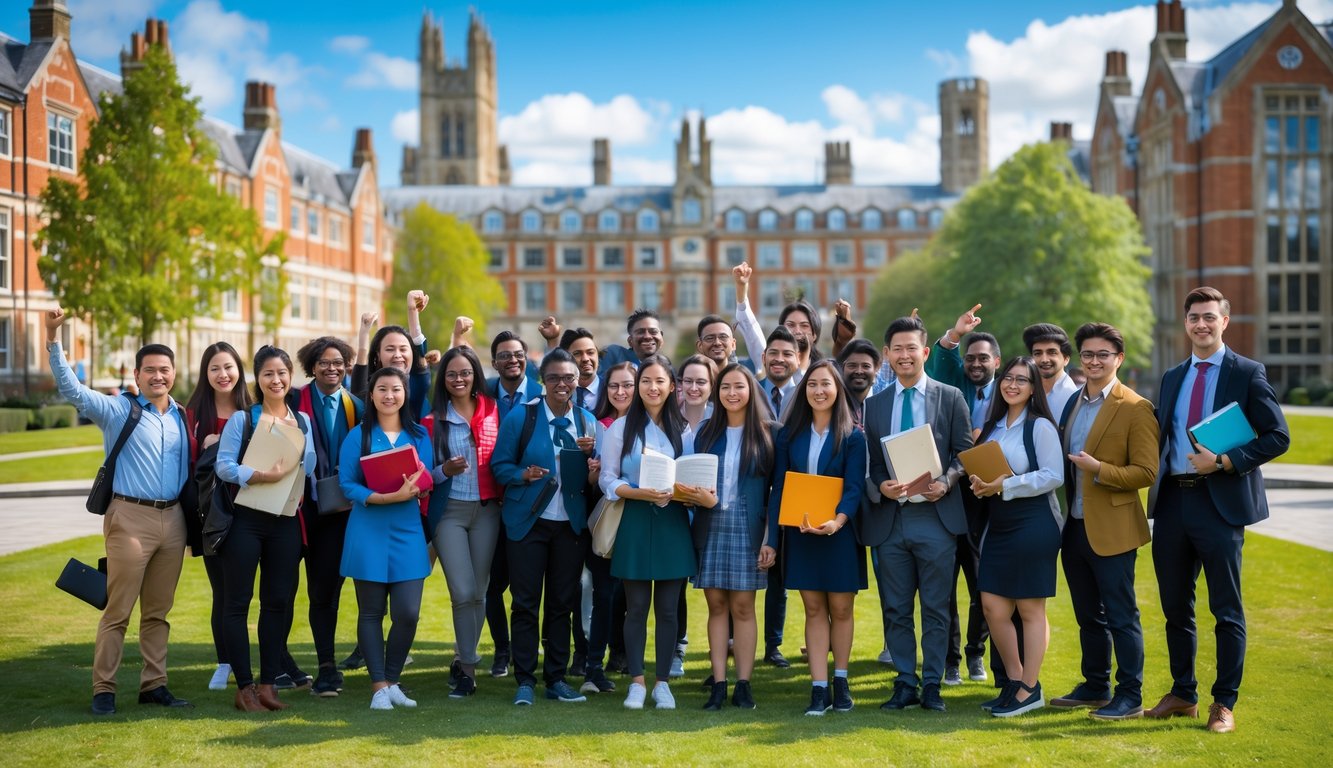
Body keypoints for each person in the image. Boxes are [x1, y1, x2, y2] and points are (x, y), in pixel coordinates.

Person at [1145, 287, 1289, 734]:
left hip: (1219, 503)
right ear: (1185, 323)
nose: (1201, 324)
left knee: (1226, 609)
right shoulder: (1172, 377)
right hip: (1172, 504)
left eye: (1210, 317)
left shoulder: (1247, 372)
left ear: (1224, 322)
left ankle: (1223, 703)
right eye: (1194, 318)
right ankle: (1183, 694)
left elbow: (1277, 436)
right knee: (1175, 608)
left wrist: (1225, 461)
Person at [45, 308, 194, 716]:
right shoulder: (117, 410)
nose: (158, 376)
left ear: (174, 374)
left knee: (159, 613)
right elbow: (72, 390)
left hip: (174, 521)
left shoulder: (181, 416)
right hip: (129, 518)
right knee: (118, 610)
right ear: (137, 375)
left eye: (165, 370)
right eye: (150, 370)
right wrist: (53, 337)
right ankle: (104, 689)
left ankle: (154, 685)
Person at [863, 315, 972, 714]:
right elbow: (871, 464)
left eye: (912, 348)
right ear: (887, 355)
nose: (905, 355)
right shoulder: (873, 406)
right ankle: (905, 683)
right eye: (897, 349)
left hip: (936, 518)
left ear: (925, 352)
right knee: (895, 607)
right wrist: (880, 486)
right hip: (891, 519)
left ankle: (932, 685)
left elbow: (964, 454)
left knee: (936, 606)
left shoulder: (950, 397)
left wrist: (947, 480)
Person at [1049, 323, 1158, 721]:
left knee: (1120, 613)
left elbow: (1146, 472)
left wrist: (1099, 469)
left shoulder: (1135, 407)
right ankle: (1096, 684)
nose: (1094, 362)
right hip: (1074, 526)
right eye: (1088, 355)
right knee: (1086, 614)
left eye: (1103, 355)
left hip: (1112, 528)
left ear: (1119, 359)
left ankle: (1130, 694)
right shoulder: (1073, 402)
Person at [491, 349, 603, 706]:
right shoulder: (521, 418)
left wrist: (592, 465)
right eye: (554, 377)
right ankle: (525, 679)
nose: (562, 384)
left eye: (569, 377)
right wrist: (521, 474)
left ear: (576, 381)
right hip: (528, 523)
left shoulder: (587, 422)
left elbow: (593, 482)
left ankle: (555, 678)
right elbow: (499, 466)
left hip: (569, 525)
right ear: (543, 381)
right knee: (525, 603)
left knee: (561, 604)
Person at [215, 346, 317, 712]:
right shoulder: (243, 420)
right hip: (245, 521)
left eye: (282, 373)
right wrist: (259, 475)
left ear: (291, 377)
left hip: (285, 523)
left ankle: (269, 685)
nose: (276, 380)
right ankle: (244, 689)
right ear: (257, 379)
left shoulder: (303, 420)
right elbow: (223, 467)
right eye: (268, 374)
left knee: (278, 603)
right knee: (238, 603)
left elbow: (310, 467)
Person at [768, 360, 867, 716]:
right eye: (812, 385)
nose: (819, 391)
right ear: (804, 390)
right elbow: (780, 486)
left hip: (838, 534)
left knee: (841, 608)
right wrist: (772, 535)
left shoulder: (854, 436)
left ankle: (840, 682)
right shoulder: (788, 435)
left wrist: (837, 521)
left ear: (838, 389)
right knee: (813, 609)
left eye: (826, 384)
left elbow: (855, 487)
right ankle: (818, 687)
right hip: (800, 533)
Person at [968, 357, 1064, 717]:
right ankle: (1015, 681)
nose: (1012, 385)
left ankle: (1029, 689)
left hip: (1033, 522)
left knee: (1029, 608)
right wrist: (981, 483)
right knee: (993, 606)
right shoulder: (993, 426)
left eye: (1022, 380)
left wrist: (1006, 484)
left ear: (1033, 387)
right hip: (999, 523)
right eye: (1008, 378)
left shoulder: (1040, 426)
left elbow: (1054, 475)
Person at [599, 355, 696, 710]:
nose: (652, 388)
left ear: (673, 387)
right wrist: (638, 492)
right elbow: (607, 478)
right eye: (645, 381)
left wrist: (683, 490)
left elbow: (691, 475)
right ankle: (637, 682)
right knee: (636, 607)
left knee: (669, 609)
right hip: (635, 521)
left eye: (660, 381)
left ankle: (663, 683)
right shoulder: (620, 429)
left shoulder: (683, 429)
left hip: (672, 522)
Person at [339, 367, 434, 710]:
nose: (389, 395)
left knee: (408, 613)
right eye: (382, 389)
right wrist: (384, 498)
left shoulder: (420, 434)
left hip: (408, 530)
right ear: (372, 394)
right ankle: (378, 685)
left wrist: (416, 486)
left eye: (396, 389)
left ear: (405, 393)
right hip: (368, 528)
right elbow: (347, 484)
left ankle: (393, 680)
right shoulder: (358, 436)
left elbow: (428, 479)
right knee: (371, 612)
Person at [692, 364, 775, 710]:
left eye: (739, 387)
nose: (731, 393)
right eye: (725, 387)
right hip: (711, 522)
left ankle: (743, 684)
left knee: (743, 606)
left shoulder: (771, 433)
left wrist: (771, 538)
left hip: (749, 524)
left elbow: (777, 491)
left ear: (750, 391)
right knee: (716, 605)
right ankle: (718, 684)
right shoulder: (706, 432)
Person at [287, 336, 363, 697]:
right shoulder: (291, 400)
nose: (332, 368)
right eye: (324, 362)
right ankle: (279, 664)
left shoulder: (357, 407)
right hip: (292, 509)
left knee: (324, 591)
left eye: (339, 363)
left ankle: (327, 667)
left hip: (335, 514)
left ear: (348, 367)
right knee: (282, 591)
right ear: (311, 366)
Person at [424, 346, 500, 699]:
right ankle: (468, 668)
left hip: (486, 510)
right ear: (444, 379)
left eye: (465, 373)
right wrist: (444, 470)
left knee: (480, 591)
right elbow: (423, 472)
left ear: (475, 376)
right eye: (452, 374)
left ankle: (463, 661)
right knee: (462, 591)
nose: (458, 379)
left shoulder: (493, 411)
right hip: (449, 511)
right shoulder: (432, 420)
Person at [183, 342, 251, 693]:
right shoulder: (193, 414)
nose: (222, 374)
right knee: (223, 593)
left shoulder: (252, 410)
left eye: (228, 367)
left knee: (256, 594)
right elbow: (186, 468)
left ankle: (272, 663)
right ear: (205, 374)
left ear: (238, 370)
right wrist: (209, 445)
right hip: (212, 515)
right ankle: (225, 663)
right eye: (214, 368)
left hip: (253, 513)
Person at [483, 330, 544, 678]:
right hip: (492, 502)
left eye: (518, 354)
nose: (512, 359)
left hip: (534, 504)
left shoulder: (541, 394)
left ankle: (536, 647)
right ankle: (502, 650)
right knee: (494, 584)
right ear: (494, 363)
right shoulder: (481, 396)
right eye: (504, 355)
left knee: (531, 586)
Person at [947, 332, 1000, 688]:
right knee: (943, 588)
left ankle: (975, 651)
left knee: (982, 585)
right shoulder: (954, 390)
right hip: (952, 497)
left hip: (990, 501)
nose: (976, 364)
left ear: (996, 360)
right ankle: (950, 661)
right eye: (971, 358)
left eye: (983, 358)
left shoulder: (1009, 392)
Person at [1023, 323, 1080, 419]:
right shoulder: (1026, 391)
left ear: (1066, 359)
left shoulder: (1073, 398)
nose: (1044, 359)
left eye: (1052, 352)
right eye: (1038, 353)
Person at [837, 339, 880, 428]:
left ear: (876, 369)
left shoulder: (886, 402)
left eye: (866, 366)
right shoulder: (834, 402)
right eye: (852, 365)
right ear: (842, 367)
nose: (859, 371)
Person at [561, 327, 601, 412]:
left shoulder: (613, 390)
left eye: (590, 352)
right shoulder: (559, 391)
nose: (585, 359)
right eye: (577, 354)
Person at [679, 354, 718, 432]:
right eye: (688, 381)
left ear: (712, 386)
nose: (693, 388)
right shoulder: (668, 416)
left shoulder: (720, 419)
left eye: (701, 382)